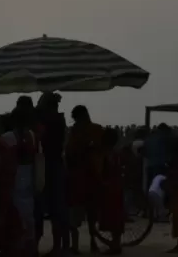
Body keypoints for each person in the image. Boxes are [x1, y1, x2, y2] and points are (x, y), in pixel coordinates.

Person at [0, 106, 39, 257]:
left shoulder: (5, 139)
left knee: (13, 218)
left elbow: (1, 166)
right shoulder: (32, 136)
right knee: (27, 218)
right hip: (28, 180)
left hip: (13, 181)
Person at [67, 105, 103, 254]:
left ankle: (79, 244)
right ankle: (89, 242)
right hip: (87, 176)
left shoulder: (77, 131)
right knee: (89, 213)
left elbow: (69, 152)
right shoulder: (94, 130)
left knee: (83, 212)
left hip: (84, 177)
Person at [38, 93, 70, 256]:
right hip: (55, 164)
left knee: (56, 208)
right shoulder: (59, 119)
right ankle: (63, 246)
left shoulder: (51, 121)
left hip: (51, 165)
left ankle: (60, 246)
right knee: (59, 208)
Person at [98, 128, 125, 255]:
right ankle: (116, 243)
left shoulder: (108, 154)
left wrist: (103, 182)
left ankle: (115, 245)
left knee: (112, 216)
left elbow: (104, 173)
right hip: (117, 187)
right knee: (117, 217)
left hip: (109, 189)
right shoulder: (116, 153)